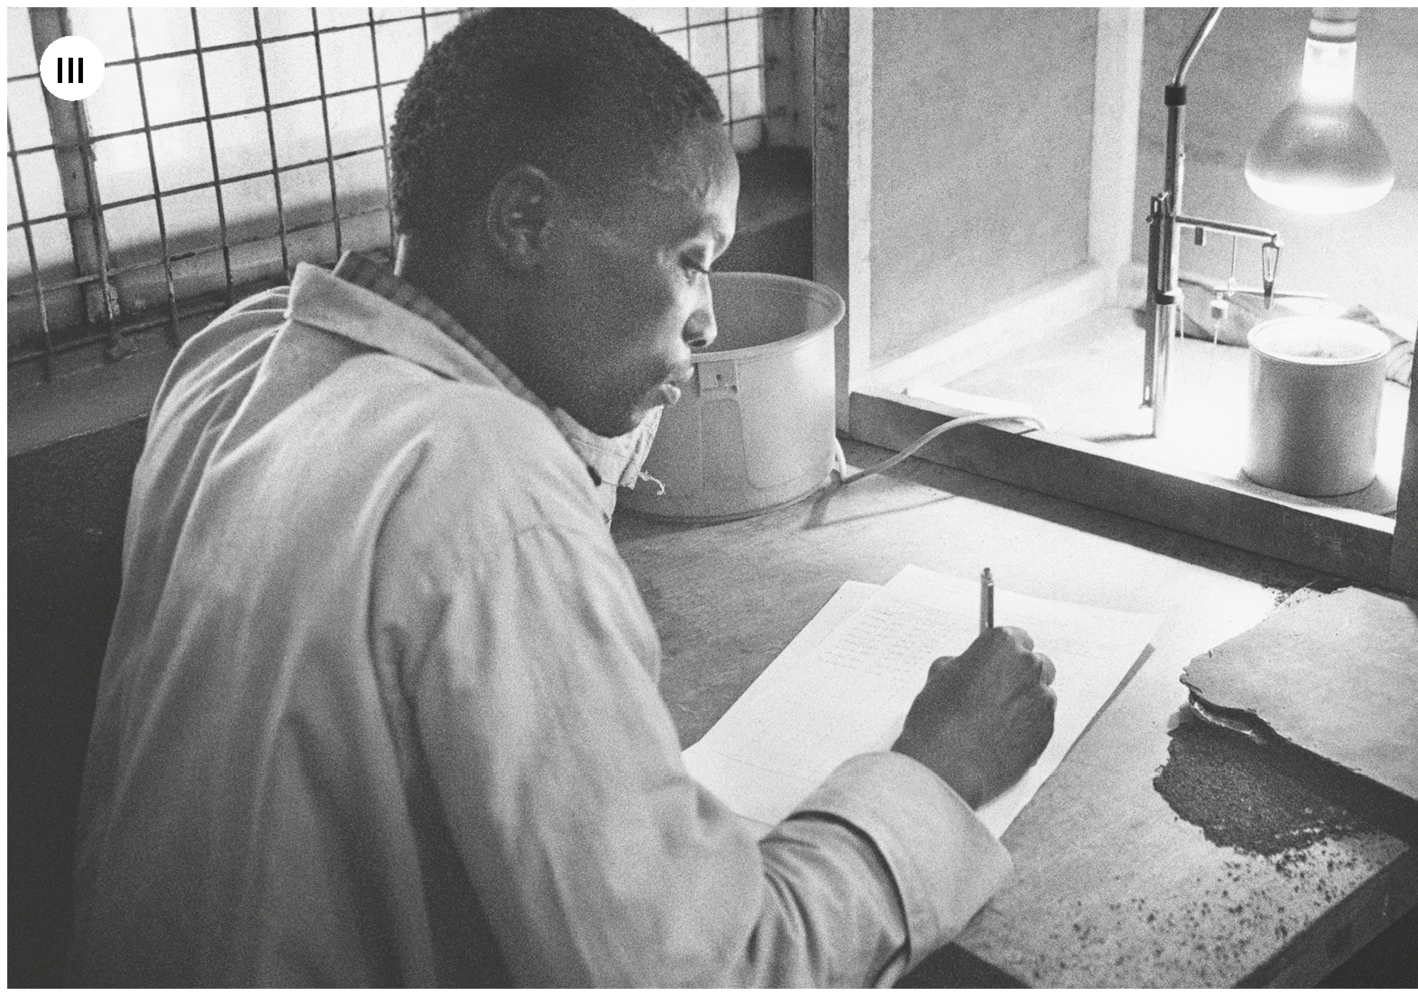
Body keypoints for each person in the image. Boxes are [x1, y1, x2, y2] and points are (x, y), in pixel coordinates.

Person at [67, 9, 1056, 987]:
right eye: (690, 260)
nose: (706, 319)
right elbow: (711, 975)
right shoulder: (487, 488)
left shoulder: (236, 363)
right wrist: (936, 771)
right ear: (527, 220)